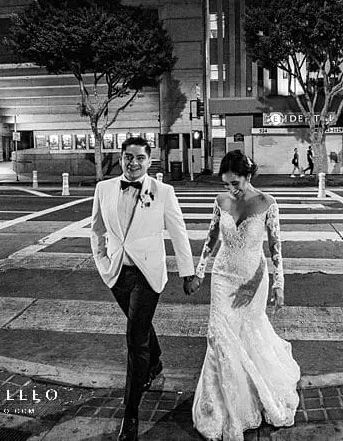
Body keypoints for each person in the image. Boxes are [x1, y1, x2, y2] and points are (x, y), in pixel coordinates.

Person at [90, 136, 201, 441]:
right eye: (128, 157)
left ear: (149, 160)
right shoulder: (104, 188)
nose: (133, 162)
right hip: (116, 273)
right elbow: (97, 229)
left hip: (147, 274)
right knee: (138, 324)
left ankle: (131, 415)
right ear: (121, 157)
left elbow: (178, 232)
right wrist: (102, 262)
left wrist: (187, 273)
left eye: (140, 157)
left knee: (134, 338)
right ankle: (155, 359)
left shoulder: (163, 191)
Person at [192, 150, 300, 441]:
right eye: (226, 183)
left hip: (253, 278)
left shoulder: (267, 203)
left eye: (236, 182)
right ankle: (221, 404)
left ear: (248, 176)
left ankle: (251, 393)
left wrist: (279, 284)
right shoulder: (221, 201)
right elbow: (212, 237)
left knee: (247, 336)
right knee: (219, 337)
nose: (231, 189)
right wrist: (200, 271)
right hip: (223, 276)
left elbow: (275, 246)